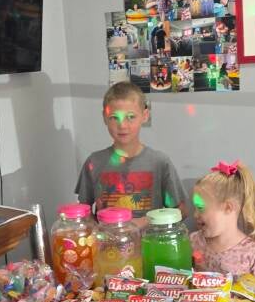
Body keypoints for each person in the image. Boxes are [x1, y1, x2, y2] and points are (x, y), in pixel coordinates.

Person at [76, 81, 186, 223]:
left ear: (145, 115)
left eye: (131, 117)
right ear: (104, 117)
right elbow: (83, 211)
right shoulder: (94, 162)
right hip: (107, 237)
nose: (122, 125)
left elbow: (181, 211)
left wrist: (144, 222)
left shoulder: (160, 162)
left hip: (150, 237)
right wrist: (97, 228)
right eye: (114, 117)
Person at [190, 161, 255, 290]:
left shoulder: (250, 252)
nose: (195, 214)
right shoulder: (194, 241)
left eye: (201, 208)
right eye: (195, 208)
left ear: (228, 208)